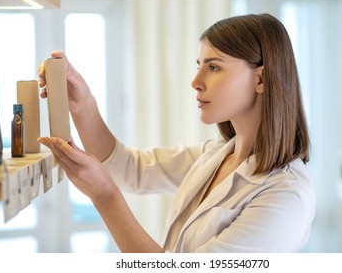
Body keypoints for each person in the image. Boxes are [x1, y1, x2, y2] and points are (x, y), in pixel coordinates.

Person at [38, 13, 315, 253]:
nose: (196, 82)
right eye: (200, 66)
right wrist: (82, 103)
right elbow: (129, 168)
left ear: (260, 79)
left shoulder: (286, 196)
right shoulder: (214, 155)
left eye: (214, 67)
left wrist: (104, 197)